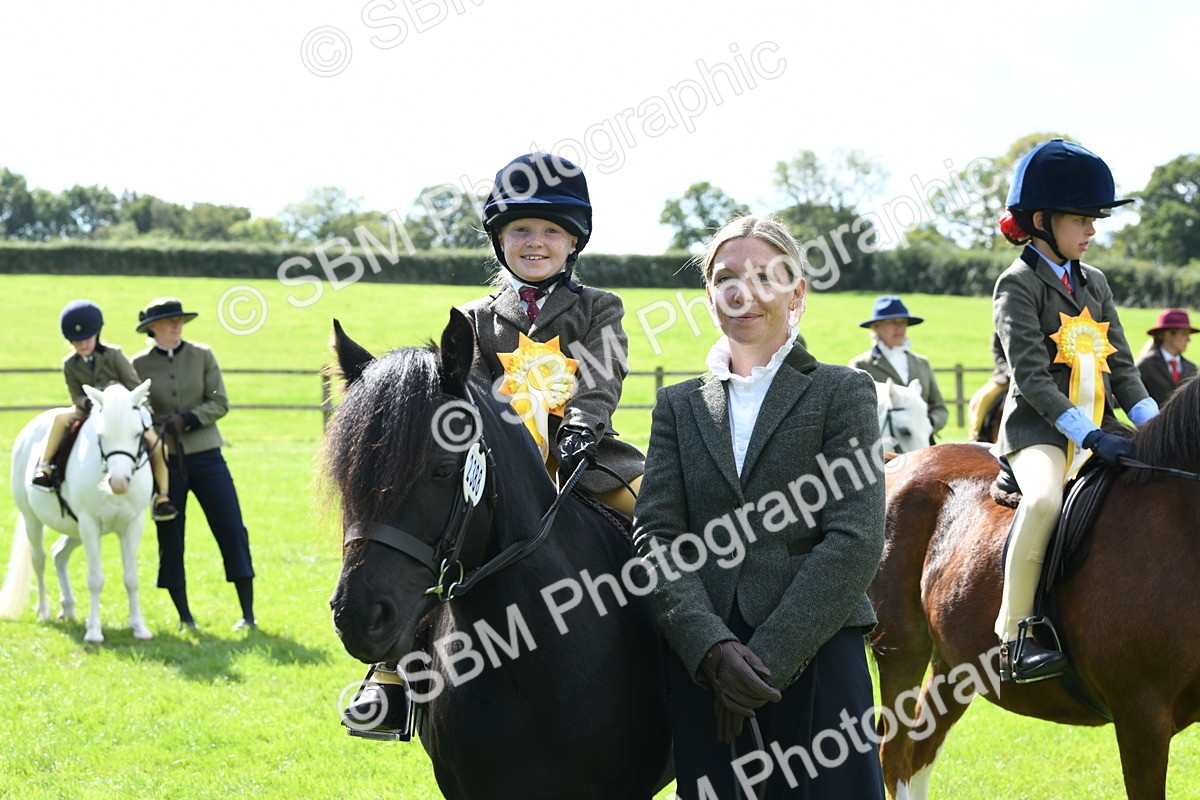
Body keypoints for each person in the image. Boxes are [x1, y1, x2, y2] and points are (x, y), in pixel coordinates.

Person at [345, 152, 646, 738]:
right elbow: (467, 393)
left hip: (588, 460)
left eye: (550, 231)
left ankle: (686, 661)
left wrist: (584, 424)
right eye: (521, 230)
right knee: (436, 538)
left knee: (661, 528)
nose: (536, 242)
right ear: (500, 239)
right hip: (500, 466)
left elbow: (603, 374)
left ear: (573, 241)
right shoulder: (475, 317)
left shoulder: (598, 308)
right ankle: (394, 680)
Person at [632, 216, 886, 799]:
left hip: (818, 650)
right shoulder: (676, 406)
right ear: (710, 296)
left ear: (798, 292)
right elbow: (655, 537)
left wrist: (762, 666)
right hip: (708, 665)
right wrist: (713, 653)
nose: (744, 293)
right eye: (726, 278)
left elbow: (856, 538)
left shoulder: (842, 391)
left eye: (766, 276)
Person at [993, 139, 1158, 683]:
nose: (1092, 231)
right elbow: (1032, 379)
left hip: (1102, 428)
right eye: (1082, 219)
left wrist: (1154, 428)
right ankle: (1016, 633)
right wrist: (1088, 436)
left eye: (1094, 220)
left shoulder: (1097, 283)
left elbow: (1126, 370)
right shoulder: (1017, 285)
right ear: (1042, 221)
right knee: (1043, 501)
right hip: (1038, 432)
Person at [131, 297, 256, 632]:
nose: (177, 325)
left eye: (180, 320)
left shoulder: (203, 354)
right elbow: (136, 410)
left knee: (231, 527)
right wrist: (158, 423)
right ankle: (185, 618)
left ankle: (248, 614)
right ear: (152, 328)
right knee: (170, 534)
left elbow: (220, 402)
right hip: (165, 463)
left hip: (207, 455)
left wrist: (187, 419)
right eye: (170, 321)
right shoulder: (138, 364)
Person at [31, 300, 177, 522]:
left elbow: (132, 383)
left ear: (97, 334)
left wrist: (141, 411)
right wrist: (89, 404)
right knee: (59, 419)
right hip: (87, 410)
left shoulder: (114, 354)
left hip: (121, 411)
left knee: (157, 444)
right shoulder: (69, 363)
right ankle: (46, 468)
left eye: (87, 338)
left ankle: (162, 497)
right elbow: (75, 394)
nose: (82, 344)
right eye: (76, 341)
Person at [849, 295, 948, 441]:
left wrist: (927, 424)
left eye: (903, 322)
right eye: (893, 322)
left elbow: (939, 408)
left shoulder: (922, 363)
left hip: (922, 444)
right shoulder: (861, 365)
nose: (900, 328)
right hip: (882, 448)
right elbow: (855, 412)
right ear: (877, 326)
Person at [1136, 309, 1198, 406]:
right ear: (1168, 334)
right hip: (1154, 421)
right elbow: (1128, 393)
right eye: (1184, 333)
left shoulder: (1191, 367)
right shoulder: (1147, 364)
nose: (1189, 339)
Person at [967, 332, 1011, 441]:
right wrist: (1009, 371)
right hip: (1005, 377)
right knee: (985, 396)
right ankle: (976, 432)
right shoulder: (998, 333)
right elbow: (997, 355)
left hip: (1029, 376)